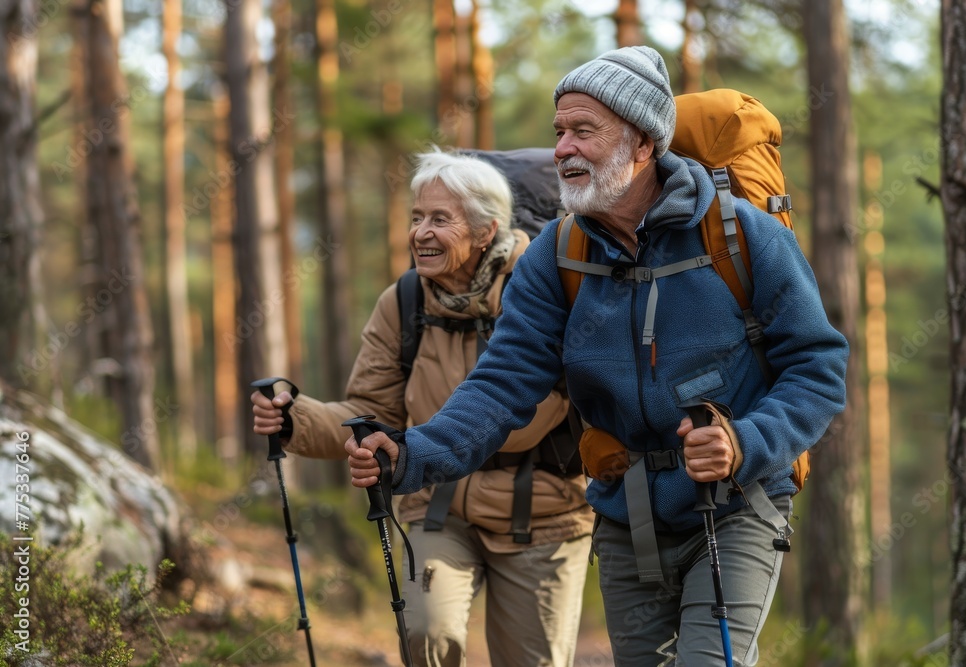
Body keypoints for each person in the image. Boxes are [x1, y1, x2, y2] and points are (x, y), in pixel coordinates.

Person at [347, 46, 850, 666]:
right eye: (559, 131)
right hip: (626, 511)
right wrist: (413, 453)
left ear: (643, 143)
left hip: (736, 501)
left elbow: (818, 367)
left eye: (584, 131)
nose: (562, 148)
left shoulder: (742, 235)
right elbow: (501, 386)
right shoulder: (555, 256)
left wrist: (746, 441)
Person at [251, 150, 593, 667]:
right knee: (426, 636)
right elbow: (370, 409)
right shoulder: (405, 302)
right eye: (416, 217)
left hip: (544, 511)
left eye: (439, 219)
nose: (420, 232)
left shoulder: (546, 290)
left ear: (485, 231)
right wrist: (294, 417)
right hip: (440, 506)